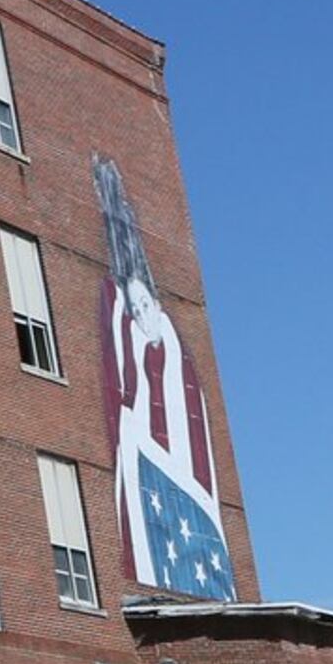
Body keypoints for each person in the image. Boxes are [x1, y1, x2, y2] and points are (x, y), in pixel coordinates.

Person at [96, 156, 237, 600]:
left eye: (145, 306)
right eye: (134, 310)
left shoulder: (180, 366)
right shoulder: (127, 339)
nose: (142, 315)